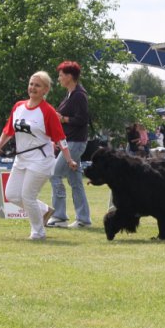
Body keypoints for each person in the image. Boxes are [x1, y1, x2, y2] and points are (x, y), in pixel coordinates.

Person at [0, 71, 79, 240]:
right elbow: (8, 130)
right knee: (12, 195)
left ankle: (38, 232)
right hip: (21, 159)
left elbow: (60, 138)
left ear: (45, 90)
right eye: (31, 84)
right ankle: (44, 210)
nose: (33, 88)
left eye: (37, 85)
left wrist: (69, 159)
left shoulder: (48, 111)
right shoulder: (18, 106)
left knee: (27, 196)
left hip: (41, 160)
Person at [47, 60, 92, 229]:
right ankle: (83, 219)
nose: (58, 78)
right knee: (75, 182)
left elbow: (82, 120)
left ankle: (59, 216)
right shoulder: (71, 94)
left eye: (60, 75)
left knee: (54, 174)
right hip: (71, 142)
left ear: (69, 77)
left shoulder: (79, 95)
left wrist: (63, 119)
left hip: (75, 143)